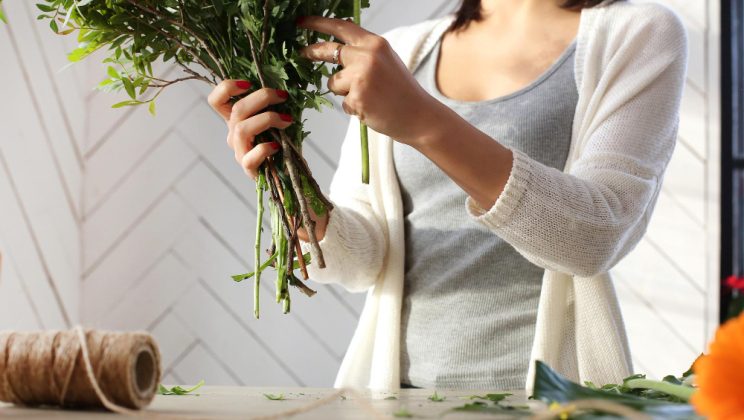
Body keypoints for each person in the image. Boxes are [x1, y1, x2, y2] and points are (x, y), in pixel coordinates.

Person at [207, 0, 687, 391]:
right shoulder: (401, 51)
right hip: (400, 394)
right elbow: (366, 258)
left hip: (553, 397)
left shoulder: (637, 33)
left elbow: (595, 237)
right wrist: (286, 181)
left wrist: (422, 119)